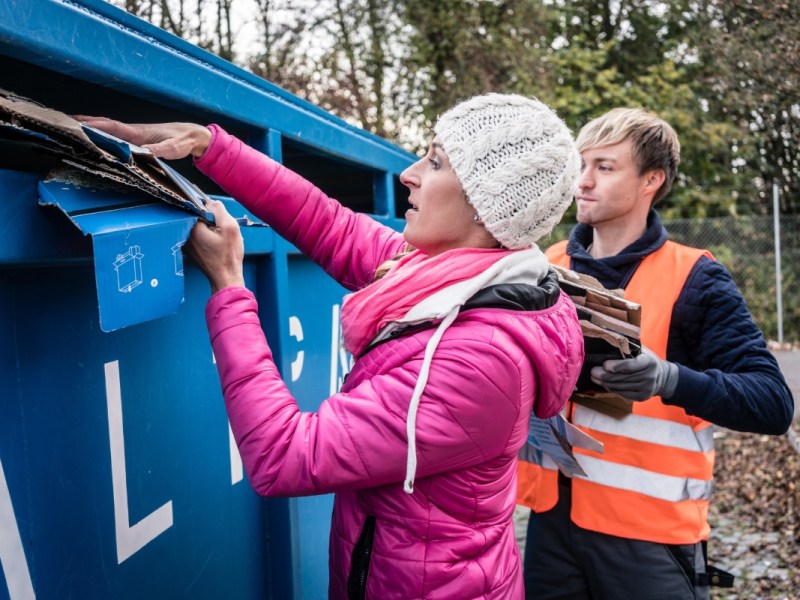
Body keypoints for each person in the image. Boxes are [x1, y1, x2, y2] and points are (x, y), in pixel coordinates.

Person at [80, 93, 585, 599]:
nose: (409, 174)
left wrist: (230, 286)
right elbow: (330, 225)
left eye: (435, 162)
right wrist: (210, 147)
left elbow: (284, 456)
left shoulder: (479, 359)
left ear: (483, 205)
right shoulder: (446, 275)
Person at [517, 107, 795, 599]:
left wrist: (670, 380)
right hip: (550, 528)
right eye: (581, 165)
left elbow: (772, 403)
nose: (583, 181)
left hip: (651, 542)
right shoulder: (546, 265)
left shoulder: (697, 279)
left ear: (652, 179)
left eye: (604, 167)